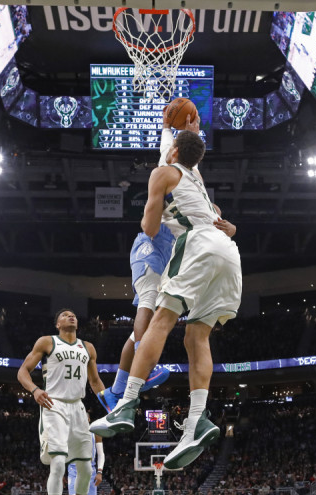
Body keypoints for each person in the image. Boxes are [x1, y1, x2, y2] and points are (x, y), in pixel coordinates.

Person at [91, 126, 241, 472]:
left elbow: (150, 228)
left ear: (173, 151)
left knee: (162, 319)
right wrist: (175, 124)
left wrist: (152, 208)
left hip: (198, 246)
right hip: (229, 253)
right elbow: (190, 152)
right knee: (197, 335)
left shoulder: (164, 172)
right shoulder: (197, 182)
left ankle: (126, 404)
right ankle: (195, 423)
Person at [18, 309, 105, 495]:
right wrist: (35, 390)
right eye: (65, 315)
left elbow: (95, 382)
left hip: (78, 408)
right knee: (57, 464)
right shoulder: (47, 342)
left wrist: (112, 406)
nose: (71, 316)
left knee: (86, 469)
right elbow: (22, 371)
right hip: (53, 404)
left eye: (73, 314)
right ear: (57, 323)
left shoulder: (88, 347)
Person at [66, 417, 105, 495]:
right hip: (74, 467)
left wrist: (100, 471)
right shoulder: (71, 431)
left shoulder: (96, 432)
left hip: (90, 468)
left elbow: (101, 454)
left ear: (88, 418)